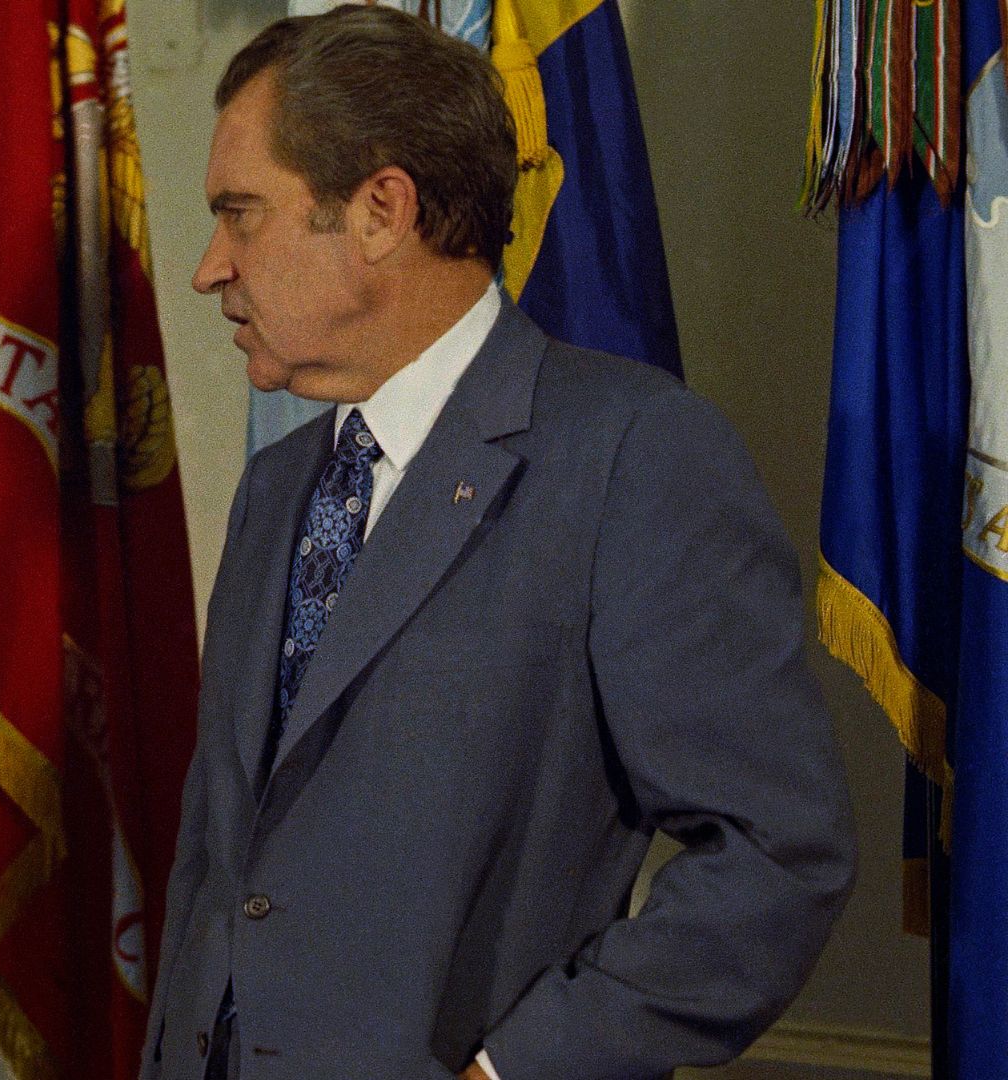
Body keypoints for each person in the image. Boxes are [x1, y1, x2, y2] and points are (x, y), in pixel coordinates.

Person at [142, 8, 856, 1079]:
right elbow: (220, 863)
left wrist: (519, 1071)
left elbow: (777, 853)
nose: (210, 268)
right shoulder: (278, 487)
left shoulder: (632, 458)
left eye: (241, 215)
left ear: (383, 210)